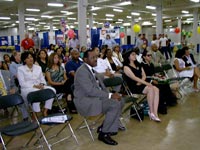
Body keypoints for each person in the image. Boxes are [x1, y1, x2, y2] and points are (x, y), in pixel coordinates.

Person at [74, 49, 124, 146]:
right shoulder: (82, 72)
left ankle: (107, 127)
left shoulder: (91, 69)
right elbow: (90, 91)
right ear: (85, 59)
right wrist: (109, 95)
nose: (95, 59)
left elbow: (99, 84)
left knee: (120, 100)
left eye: (96, 57)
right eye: (92, 58)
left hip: (95, 98)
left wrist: (112, 94)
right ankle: (104, 134)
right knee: (114, 104)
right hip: (86, 101)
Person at [123, 48, 160, 122]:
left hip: (141, 83)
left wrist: (142, 82)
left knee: (156, 89)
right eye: (132, 54)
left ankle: (155, 113)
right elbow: (134, 78)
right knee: (150, 89)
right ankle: (151, 111)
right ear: (128, 56)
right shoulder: (126, 67)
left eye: (135, 54)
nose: (135, 56)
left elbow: (144, 75)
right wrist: (146, 83)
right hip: (134, 86)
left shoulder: (138, 64)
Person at [17, 52, 55, 117]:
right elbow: (22, 83)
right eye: (28, 58)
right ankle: (35, 114)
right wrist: (34, 86)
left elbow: (42, 79)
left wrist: (42, 84)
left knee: (52, 90)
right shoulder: (20, 69)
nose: (30, 59)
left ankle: (45, 110)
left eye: (31, 57)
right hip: (27, 88)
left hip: (39, 86)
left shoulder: (38, 68)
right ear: (24, 60)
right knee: (36, 93)